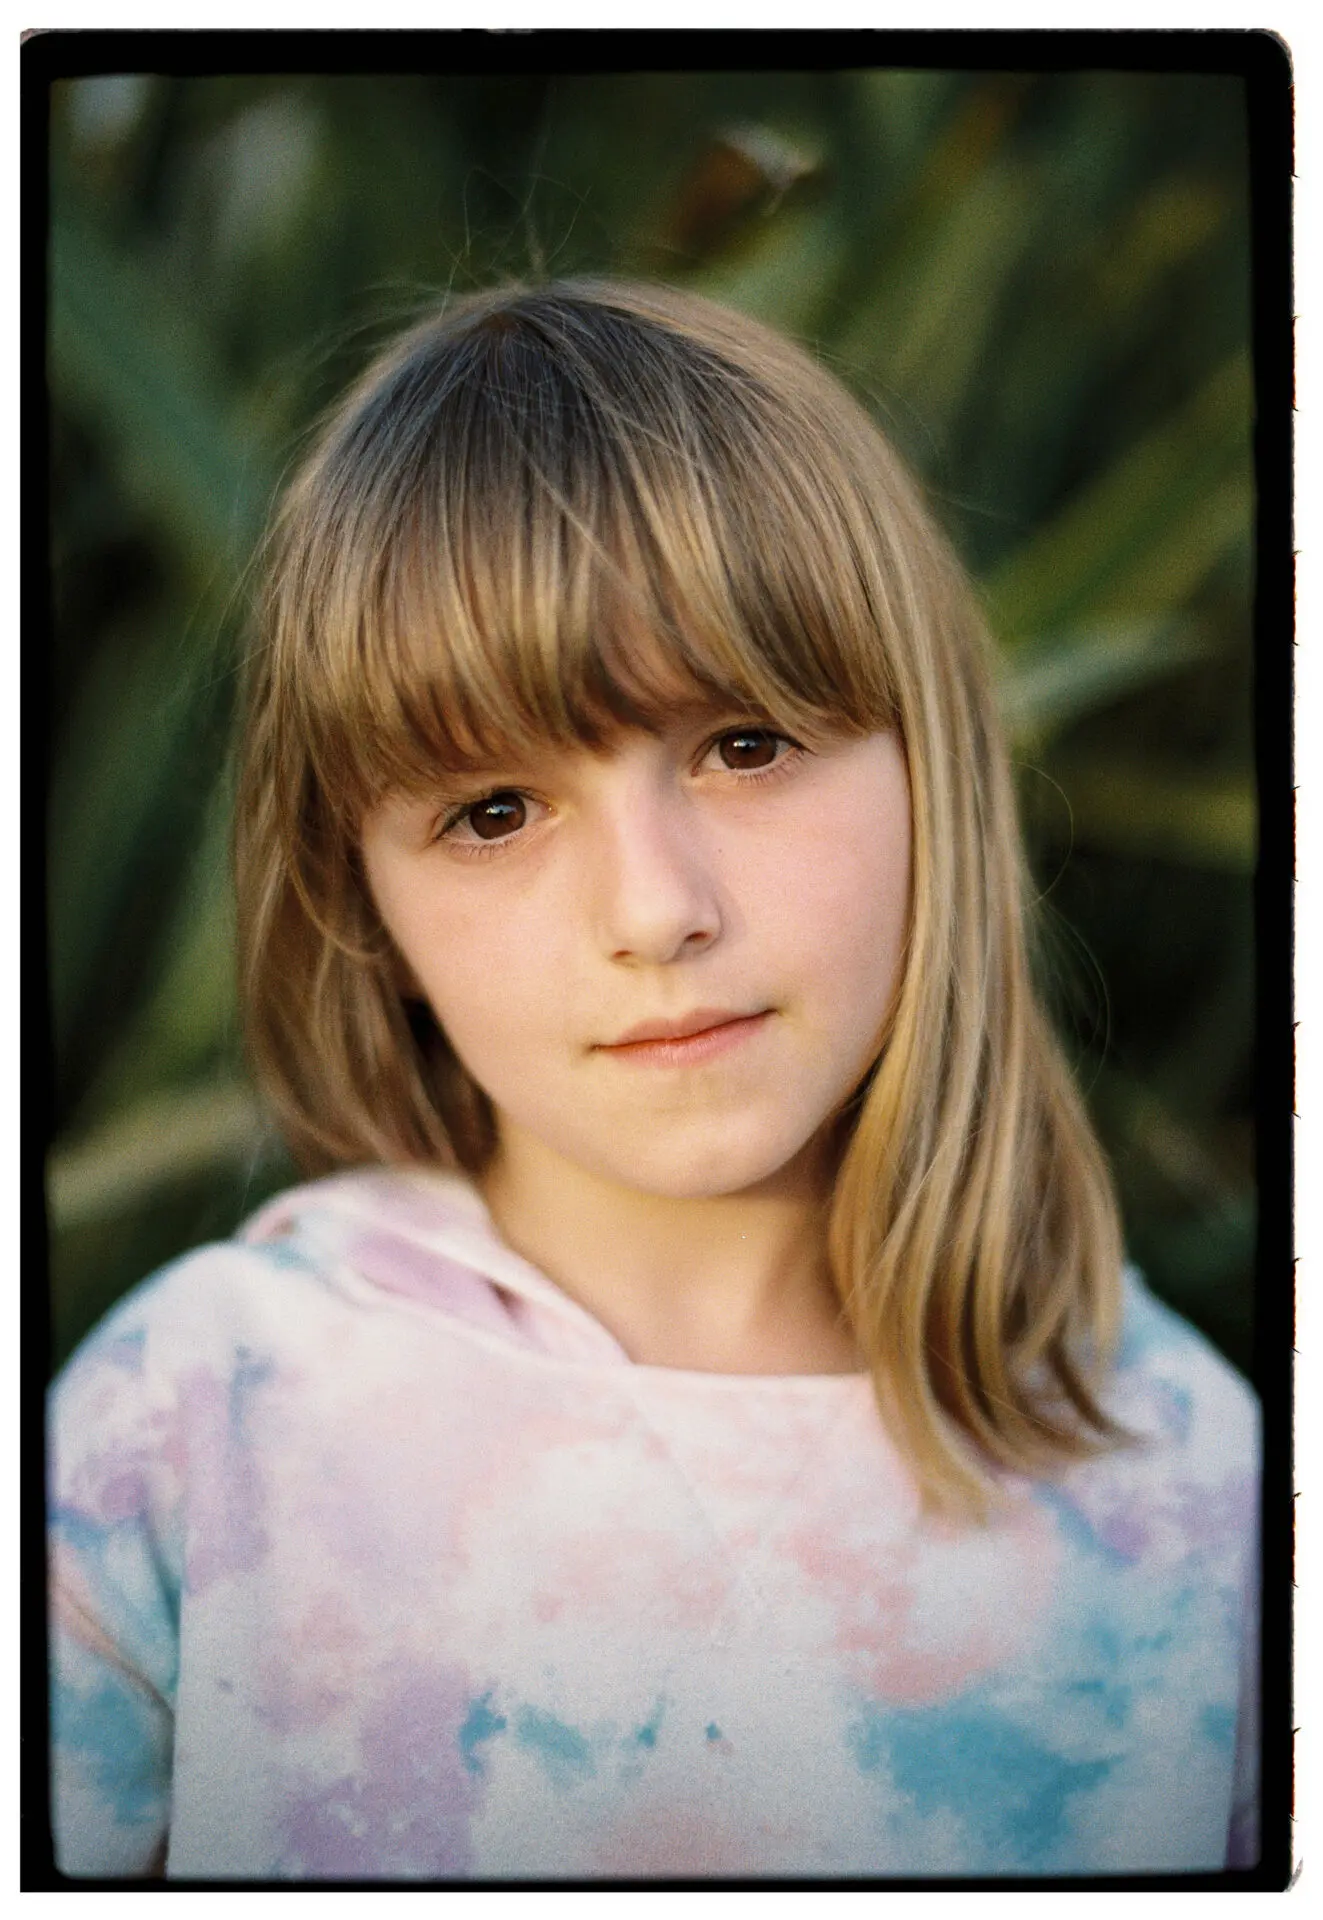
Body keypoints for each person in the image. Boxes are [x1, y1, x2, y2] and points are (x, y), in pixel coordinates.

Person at [47, 280, 1260, 1882]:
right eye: (492, 811)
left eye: (744, 744)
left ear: (935, 766)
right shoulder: (187, 1433)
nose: (653, 908)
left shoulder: (1199, 1491)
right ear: (364, 908)